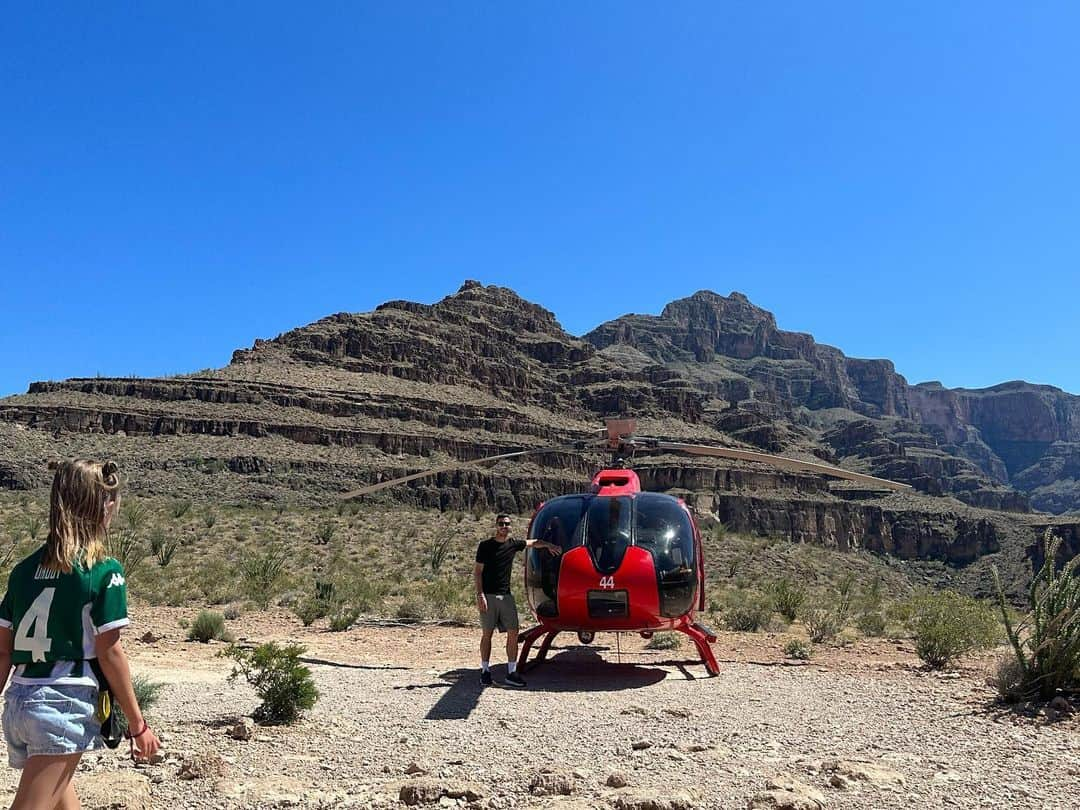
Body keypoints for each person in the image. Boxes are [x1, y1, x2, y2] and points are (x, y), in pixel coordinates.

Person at [0, 460, 161, 809]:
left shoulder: (24, 571)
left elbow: (2, 652)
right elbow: (110, 652)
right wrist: (138, 724)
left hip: (18, 704)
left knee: (60, 799)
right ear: (104, 506)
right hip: (62, 702)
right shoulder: (104, 570)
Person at [474, 513, 561, 687]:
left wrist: (549, 545)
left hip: (506, 595)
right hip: (489, 596)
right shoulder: (485, 546)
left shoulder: (513, 544)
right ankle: (485, 671)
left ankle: (511, 672)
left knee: (513, 632)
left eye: (506, 524)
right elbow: (478, 572)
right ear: (496, 526)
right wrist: (480, 594)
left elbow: (534, 543)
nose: (504, 527)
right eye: (501, 524)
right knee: (487, 634)